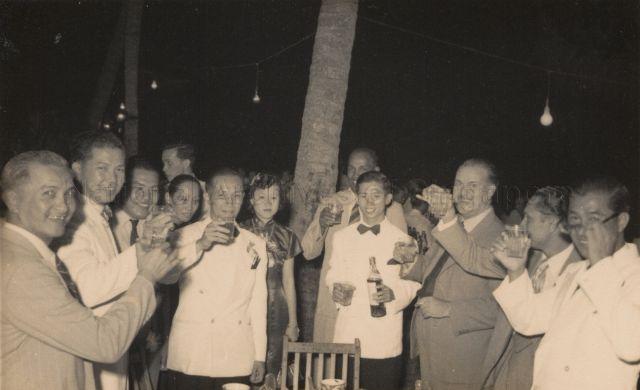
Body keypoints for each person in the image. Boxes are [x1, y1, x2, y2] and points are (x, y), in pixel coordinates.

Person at [0, 151, 178, 390]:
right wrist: (145, 278)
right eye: (48, 194)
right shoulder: (23, 270)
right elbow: (103, 344)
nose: (63, 206)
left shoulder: (26, 253)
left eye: (69, 193)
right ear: (12, 200)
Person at [426, 185, 583, 389]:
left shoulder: (581, 274)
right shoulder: (528, 256)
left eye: (529, 218)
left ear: (552, 223)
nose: (522, 224)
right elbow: (474, 258)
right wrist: (448, 217)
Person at [492, 176, 640, 389]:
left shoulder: (634, 273)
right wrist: (515, 270)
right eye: (575, 221)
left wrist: (600, 264)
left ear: (621, 221)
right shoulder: (575, 271)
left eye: (594, 220)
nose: (582, 231)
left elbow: (631, 344)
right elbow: (529, 319)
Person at [55, 131, 173, 390]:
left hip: (113, 348)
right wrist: (142, 251)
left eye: (119, 170)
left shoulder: (98, 215)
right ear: (77, 170)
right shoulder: (74, 221)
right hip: (93, 354)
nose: (112, 179)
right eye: (102, 168)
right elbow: (86, 287)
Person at [161, 168, 268, 390]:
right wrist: (200, 245)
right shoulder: (183, 235)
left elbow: (258, 303)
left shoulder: (256, 244)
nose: (230, 203)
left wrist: (260, 354)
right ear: (208, 197)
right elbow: (166, 277)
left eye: (237, 195)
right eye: (222, 195)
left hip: (235, 353)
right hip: (193, 351)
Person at [403, 158, 504, 390]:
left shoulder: (501, 238)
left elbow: (503, 309)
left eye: (472, 186)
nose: (463, 193)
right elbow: (432, 275)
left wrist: (449, 309)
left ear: (490, 191)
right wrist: (410, 262)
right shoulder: (451, 226)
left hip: (463, 358)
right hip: (431, 350)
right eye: (459, 185)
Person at [301, 147, 407, 343]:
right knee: (330, 368)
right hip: (335, 301)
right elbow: (308, 252)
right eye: (351, 169)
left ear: (375, 170)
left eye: (361, 168)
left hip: (373, 307)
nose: (355, 175)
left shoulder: (393, 210)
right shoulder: (332, 204)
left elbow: (404, 266)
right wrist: (322, 224)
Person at [326, 171, 420, 390]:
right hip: (347, 335)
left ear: (388, 199)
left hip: (383, 340)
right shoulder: (341, 237)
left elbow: (413, 283)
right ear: (357, 198)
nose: (369, 202)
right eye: (363, 195)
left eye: (376, 195)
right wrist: (334, 288)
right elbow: (332, 273)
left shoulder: (404, 240)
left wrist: (394, 294)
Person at [241, 172, 301, 381]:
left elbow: (289, 281)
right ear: (250, 200)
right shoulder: (239, 232)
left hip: (278, 307)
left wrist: (293, 322)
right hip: (246, 305)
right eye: (261, 197)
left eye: (274, 197)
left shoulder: (288, 236)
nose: (268, 202)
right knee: (245, 362)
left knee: (273, 365)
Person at [111, 157, 163, 390]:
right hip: (113, 333)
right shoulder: (107, 227)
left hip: (147, 337)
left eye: (153, 190)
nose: (146, 197)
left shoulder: (155, 230)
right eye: (138, 189)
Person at [161, 143, 209, 217]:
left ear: (186, 164)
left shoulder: (205, 191)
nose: (164, 169)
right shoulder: (160, 190)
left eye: (169, 163)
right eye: (164, 163)